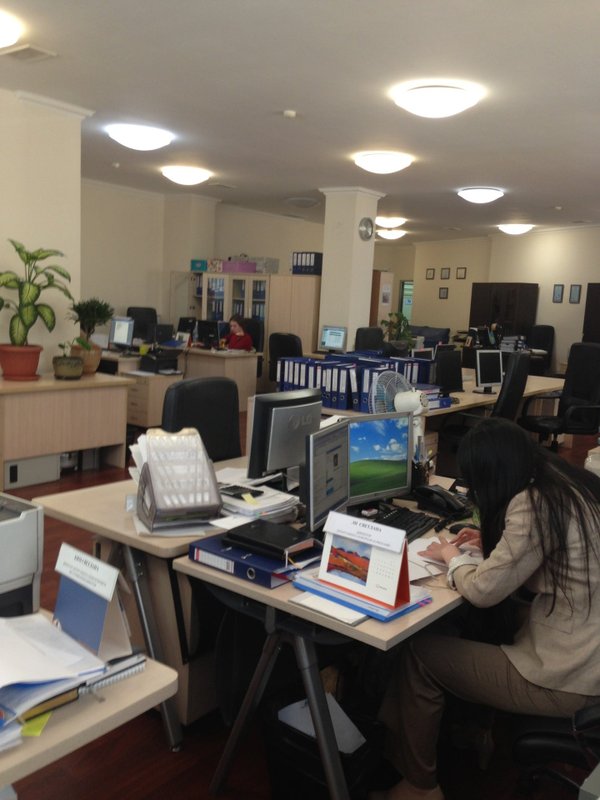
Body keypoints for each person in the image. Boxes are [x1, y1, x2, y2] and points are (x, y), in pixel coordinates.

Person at [373, 418, 600, 800]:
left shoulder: (532, 504)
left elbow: (482, 590)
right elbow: (545, 551)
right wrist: (492, 541)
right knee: (478, 622)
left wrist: (452, 555)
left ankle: (419, 786)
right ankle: (471, 731)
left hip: (570, 677)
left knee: (420, 654)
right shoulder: (565, 483)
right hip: (588, 652)